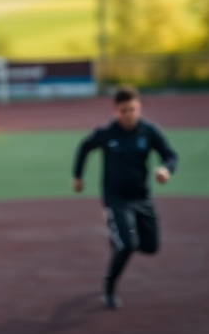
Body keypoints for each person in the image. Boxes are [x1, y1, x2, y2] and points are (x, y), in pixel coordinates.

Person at [72, 85, 178, 309]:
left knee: (151, 247)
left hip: (142, 197)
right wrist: (78, 176)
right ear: (115, 111)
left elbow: (170, 156)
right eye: (123, 111)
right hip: (115, 198)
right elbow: (84, 147)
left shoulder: (149, 132)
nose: (128, 115)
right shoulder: (107, 133)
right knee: (128, 244)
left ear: (139, 107)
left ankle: (117, 237)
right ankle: (109, 287)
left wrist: (166, 169)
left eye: (132, 109)